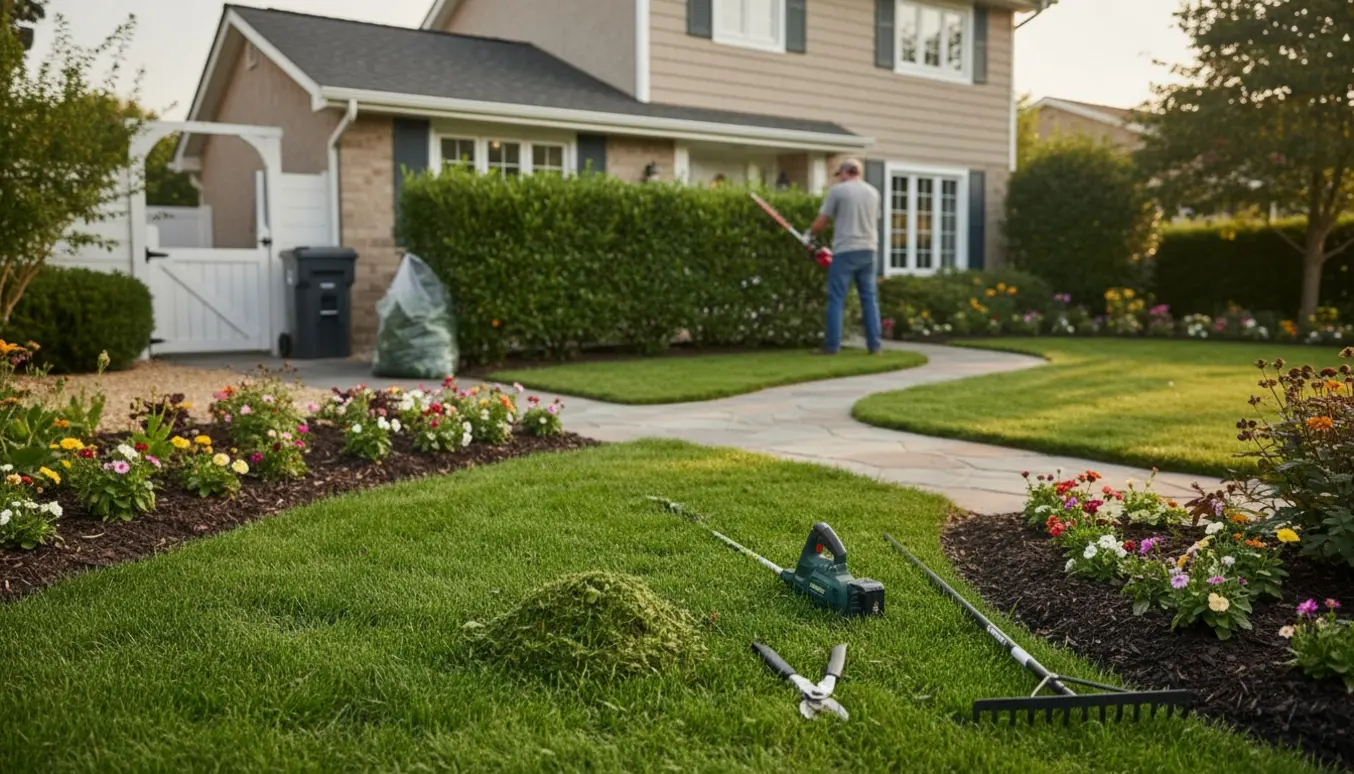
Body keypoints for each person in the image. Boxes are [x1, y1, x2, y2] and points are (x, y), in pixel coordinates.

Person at [809, 158, 883, 355]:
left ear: (844, 172)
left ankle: (832, 346)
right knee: (869, 299)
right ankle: (874, 346)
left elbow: (823, 220)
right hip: (869, 250)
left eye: (839, 175)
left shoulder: (838, 192)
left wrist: (810, 234)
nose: (839, 179)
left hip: (845, 251)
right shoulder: (873, 193)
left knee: (836, 299)